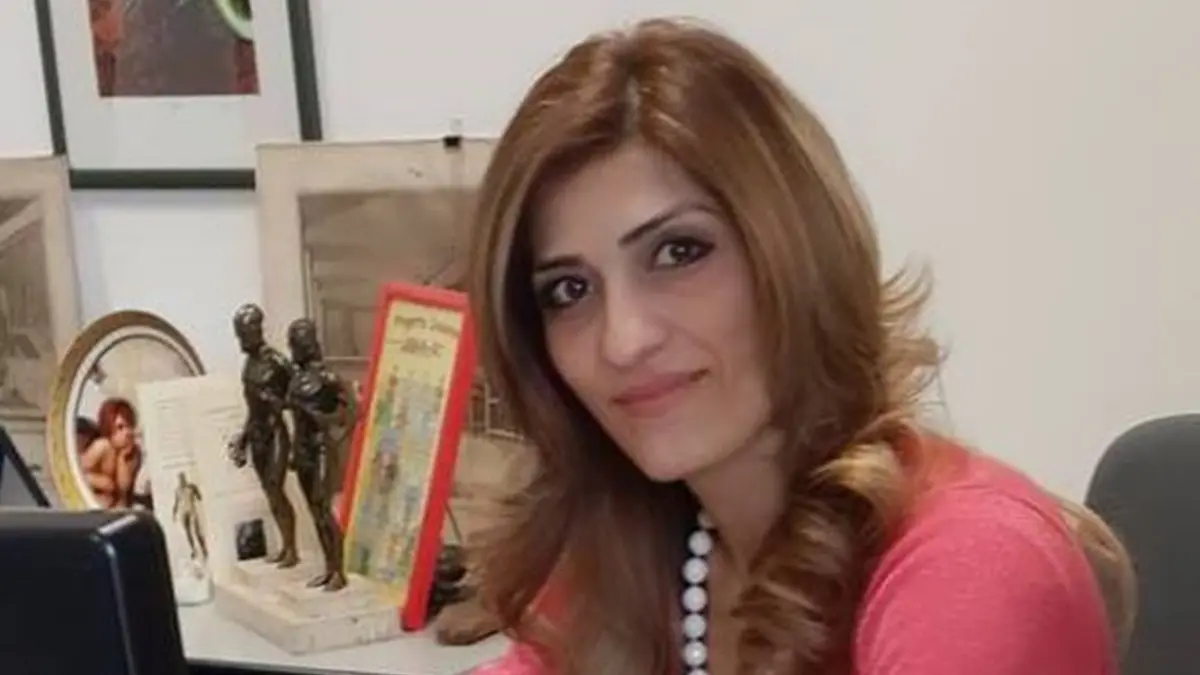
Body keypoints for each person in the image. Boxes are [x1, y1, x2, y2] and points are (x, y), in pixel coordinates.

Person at [464, 18, 1135, 675]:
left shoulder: (969, 571)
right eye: (569, 290)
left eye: (679, 252)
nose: (624, 339)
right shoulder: (631, 551)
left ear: (794, 254)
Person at [79, 397, 143, 509]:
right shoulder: (102, 446)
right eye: (120, 427)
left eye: (129, 426)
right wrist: (99, 481)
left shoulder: (133, 452)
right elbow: (75, 470)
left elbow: (124, 488)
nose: (127, 432)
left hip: (118, 506)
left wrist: (122, 458)